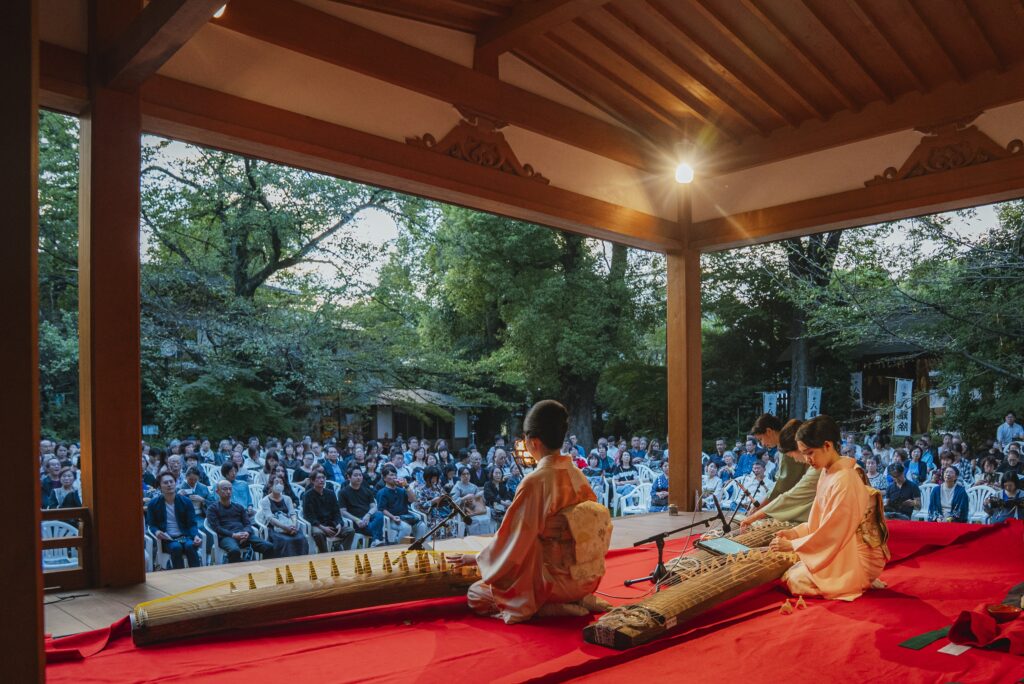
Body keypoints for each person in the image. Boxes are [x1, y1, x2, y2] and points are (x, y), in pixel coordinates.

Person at [448, 399, 613, 623]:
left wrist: (477, 559)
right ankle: (575, 599)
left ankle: (546, 607)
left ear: (532, 442)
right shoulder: (577, 475)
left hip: (553, 582)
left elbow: (514, 541)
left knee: (476, 594)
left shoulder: (536, 482)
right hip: (588, 577)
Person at [768, 415, 889, 601]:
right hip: (843, 545)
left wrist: (792, 545)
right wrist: (794, 533)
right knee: (792, 572)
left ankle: (861, 579)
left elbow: (833, 531)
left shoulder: (845, 478)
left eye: (809, 453)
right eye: (804, 454)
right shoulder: (828, 472)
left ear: (827, 445)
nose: (807, 459)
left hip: (856, 553)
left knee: (794, 580)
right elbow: (819, 521)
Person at [741, 419, 820, 528]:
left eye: (808, 452)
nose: (763, 444)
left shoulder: (818, 469)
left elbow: (787, 490)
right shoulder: (816, 468)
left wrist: (759, 512)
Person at [207, 480, 274, 562]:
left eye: (230, 489)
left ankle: (265, 570)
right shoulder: (212, 508)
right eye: (225, 489)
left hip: (243, 535)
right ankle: (244, 568)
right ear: (217, 491)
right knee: (234, 551)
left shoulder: (239, 507)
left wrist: (246, 532)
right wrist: (234, 535)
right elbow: (217, 528)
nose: (228, 491)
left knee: (269, 546)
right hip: (226, 537)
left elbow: (247, 524)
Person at [146, 472, 203, 569]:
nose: (169, 484)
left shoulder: (186, 501)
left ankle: (197, 575)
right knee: (176, 547)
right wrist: (157, 531)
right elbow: (152, 525)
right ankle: (179, 578)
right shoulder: (153, 504)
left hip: (186, 536)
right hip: (168, 539)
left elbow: (192, 524)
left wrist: (195, 536)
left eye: (171, 482)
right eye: (165, 482)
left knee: (191, 546)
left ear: (175, 483)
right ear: (160, 486)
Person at [257, 474, 308, 558]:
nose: (279, 485)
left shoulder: (287, 498)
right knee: (285, 540)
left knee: (301, 539)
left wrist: (294, 525)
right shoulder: (265, 500)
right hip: (274, 528)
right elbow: (270, 519)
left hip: (289, 525)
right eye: (277, 482)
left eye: (281, 483)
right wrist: (285, 528)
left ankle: (301, 562)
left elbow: (292, 513)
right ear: (271, 485)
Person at [302, 471, 351, 552]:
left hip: (331, 523)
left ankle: (341, 551)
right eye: (318, 478)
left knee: (350, 531)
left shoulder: (330, 493)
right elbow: (308, 516)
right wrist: (323, 527)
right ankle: (325, 555)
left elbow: (336, 512)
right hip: (318, 525)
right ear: (313, 481)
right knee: (318, 534)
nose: (321, 480)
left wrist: (339, 523)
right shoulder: (307, 495)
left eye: (323, 478)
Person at [376, 466, 426, 543]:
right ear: (384, 478)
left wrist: (406, 486)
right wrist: (393, 517)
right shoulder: (382, 492)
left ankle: (418, 546)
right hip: (390, 519)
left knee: (422, 526)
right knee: (406, 528)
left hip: (405, 517)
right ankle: (400, 548)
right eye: (391, 475)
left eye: (395, 475)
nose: (394, 477)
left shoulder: (401, 490)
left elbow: (413, 500)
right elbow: (382, 509)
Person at [338, 467, 383, 546]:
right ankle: (376, 540)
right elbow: (343, 512)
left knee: (379, 514)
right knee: (376, 526)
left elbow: (374, 507)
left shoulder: (367, 490)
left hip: (368, 519)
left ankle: (374, 540)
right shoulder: (343, 492)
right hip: (356, 521)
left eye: (360, 475)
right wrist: (356, 520)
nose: (358, 477)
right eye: (355, 475)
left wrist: (368, 515)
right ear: (349, 477)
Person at [450, 466, 492, 535]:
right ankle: (474, 539)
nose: (466, 476)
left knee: (485, 519)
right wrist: (464, 498)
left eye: (468, 474)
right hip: (464, 511)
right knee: (475, 521)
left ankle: (485, 538)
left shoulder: (473, 486)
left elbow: (480, 501)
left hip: (475, 509)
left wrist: (480, 495)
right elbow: (453, 502)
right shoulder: (457, 487)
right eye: (463, 474)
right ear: (460, 476)